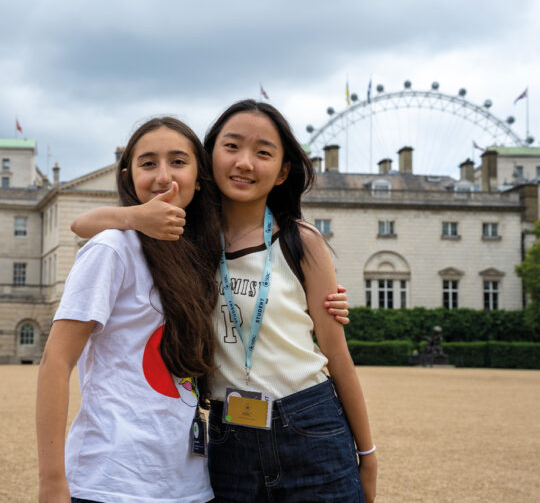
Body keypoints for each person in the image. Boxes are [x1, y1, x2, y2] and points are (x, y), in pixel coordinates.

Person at [70, 102, 371, 502]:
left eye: (263, 152)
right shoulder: (186, 239)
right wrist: (137, 217)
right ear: (209, 157)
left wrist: (368, 453)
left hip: (310, 423)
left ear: (283, 171)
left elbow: (337, 354)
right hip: (229, 436)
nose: (245, 162)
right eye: (231, 146)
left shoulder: (302, 241)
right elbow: (82, 224)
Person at [36, 117, 221, 503]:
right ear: (129, 175)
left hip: (190, 484)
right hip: (112, 481)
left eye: (178, 161)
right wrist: (52, 482)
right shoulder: (112, 248)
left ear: (200, 177)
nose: (162, 175)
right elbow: (56, 360)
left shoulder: (201, 252)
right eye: (148, 163)